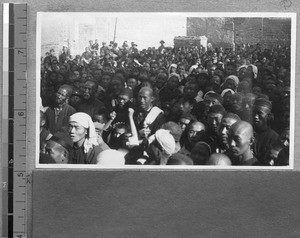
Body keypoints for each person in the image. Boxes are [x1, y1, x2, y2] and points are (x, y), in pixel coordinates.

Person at [252, 98, 279, 162]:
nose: (256, 116)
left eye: (260, 113)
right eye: (254, 113)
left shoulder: (274, 137)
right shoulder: (248, 132)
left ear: (268, 116)